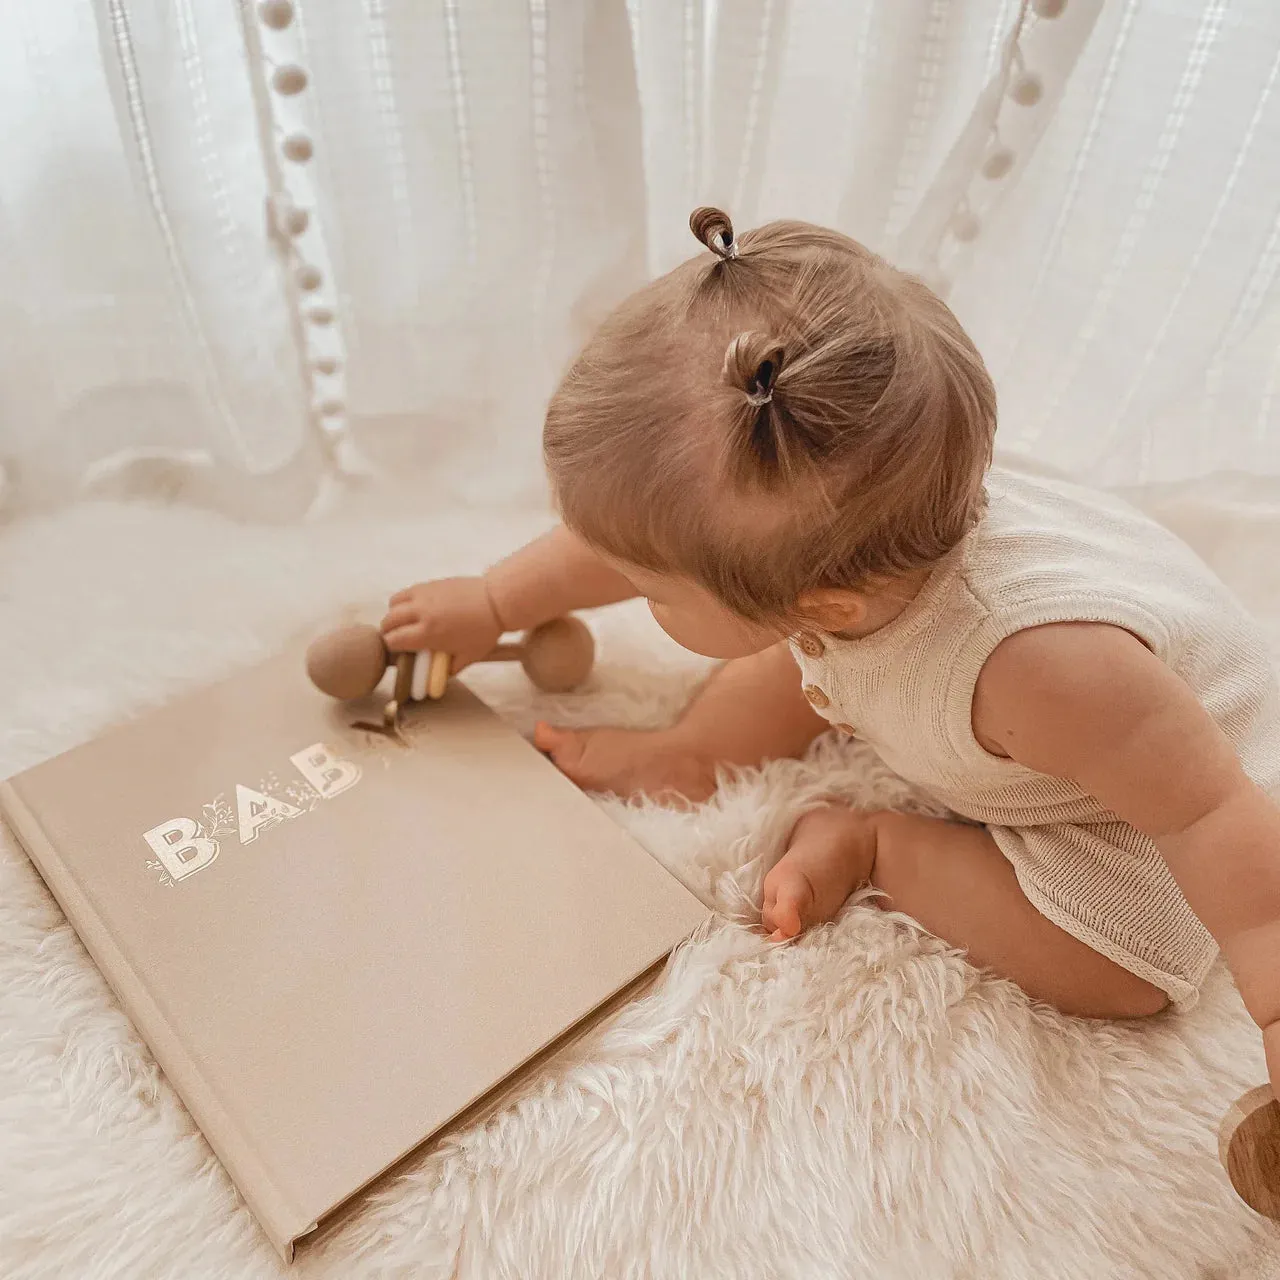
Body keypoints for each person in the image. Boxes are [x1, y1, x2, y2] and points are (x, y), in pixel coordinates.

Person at [381, 207, 1280, 1083]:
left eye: (649, 589)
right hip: (947, 673)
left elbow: (1206, 813)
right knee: (800, 647)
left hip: (1135, 794)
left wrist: (1272, 995)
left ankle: (876, 845)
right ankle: (696, 752)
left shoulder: (1048, 668)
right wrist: (492, 599)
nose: (625, 587)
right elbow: (628, 542)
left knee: (1126, 972)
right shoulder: (849, 554)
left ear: (830, 605)